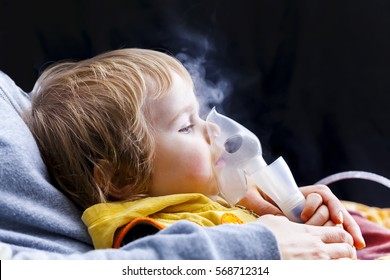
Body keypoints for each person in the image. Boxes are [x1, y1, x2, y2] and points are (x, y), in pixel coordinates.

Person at [22, 48, 364, 259]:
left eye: (200, 115)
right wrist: (261, 242)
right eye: (186, 126)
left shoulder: (206, 200)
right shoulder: (142, 230)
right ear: (124, 178)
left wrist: (298, 213)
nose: (214, 130)